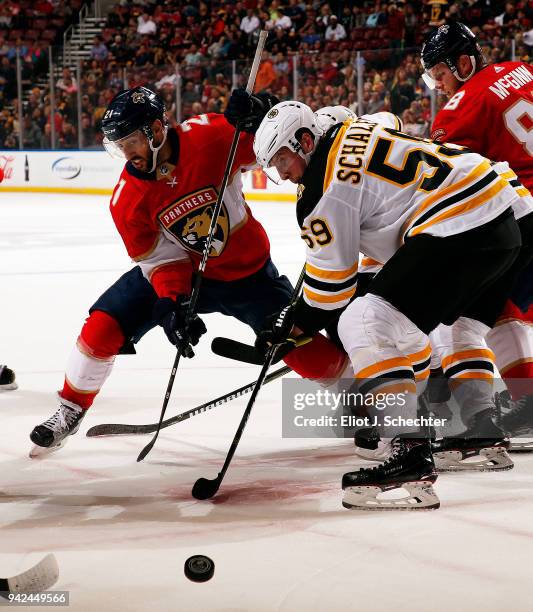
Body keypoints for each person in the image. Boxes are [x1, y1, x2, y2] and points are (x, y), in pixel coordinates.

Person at [28, 87, 348, 457]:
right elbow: (161, 261)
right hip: (187, 273)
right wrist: (172, 304)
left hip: (247, 274)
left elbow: (272, 145)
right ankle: (71, 407)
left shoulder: (210, 137)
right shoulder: (127, 200)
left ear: (156, 130)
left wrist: (261, 112)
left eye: (131, 141)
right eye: (119, 145)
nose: (127, 155)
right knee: (103, 325)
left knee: (295, 341)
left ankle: (377, 405)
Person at [250, 99, 525, 510]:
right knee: (439, 327)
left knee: (363, 320)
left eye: (284, 159)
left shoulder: (321, 190)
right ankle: (478, 430)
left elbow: (331, 289)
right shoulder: (356, 128)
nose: (282, 173)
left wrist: (293, 323)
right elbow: (390, 122)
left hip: (458, 222)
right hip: (503, 217)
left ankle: (409, 452)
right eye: (274, 166)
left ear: (307, 140)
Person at [421, 22, 533, 436]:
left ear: (463, 63)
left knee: (485, 307)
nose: (440, 86)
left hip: (525, 212)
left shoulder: (460, 108)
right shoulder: (522, 69)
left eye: (441, 75)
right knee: (514, 305)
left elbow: (448, 183)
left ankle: (526, 399)